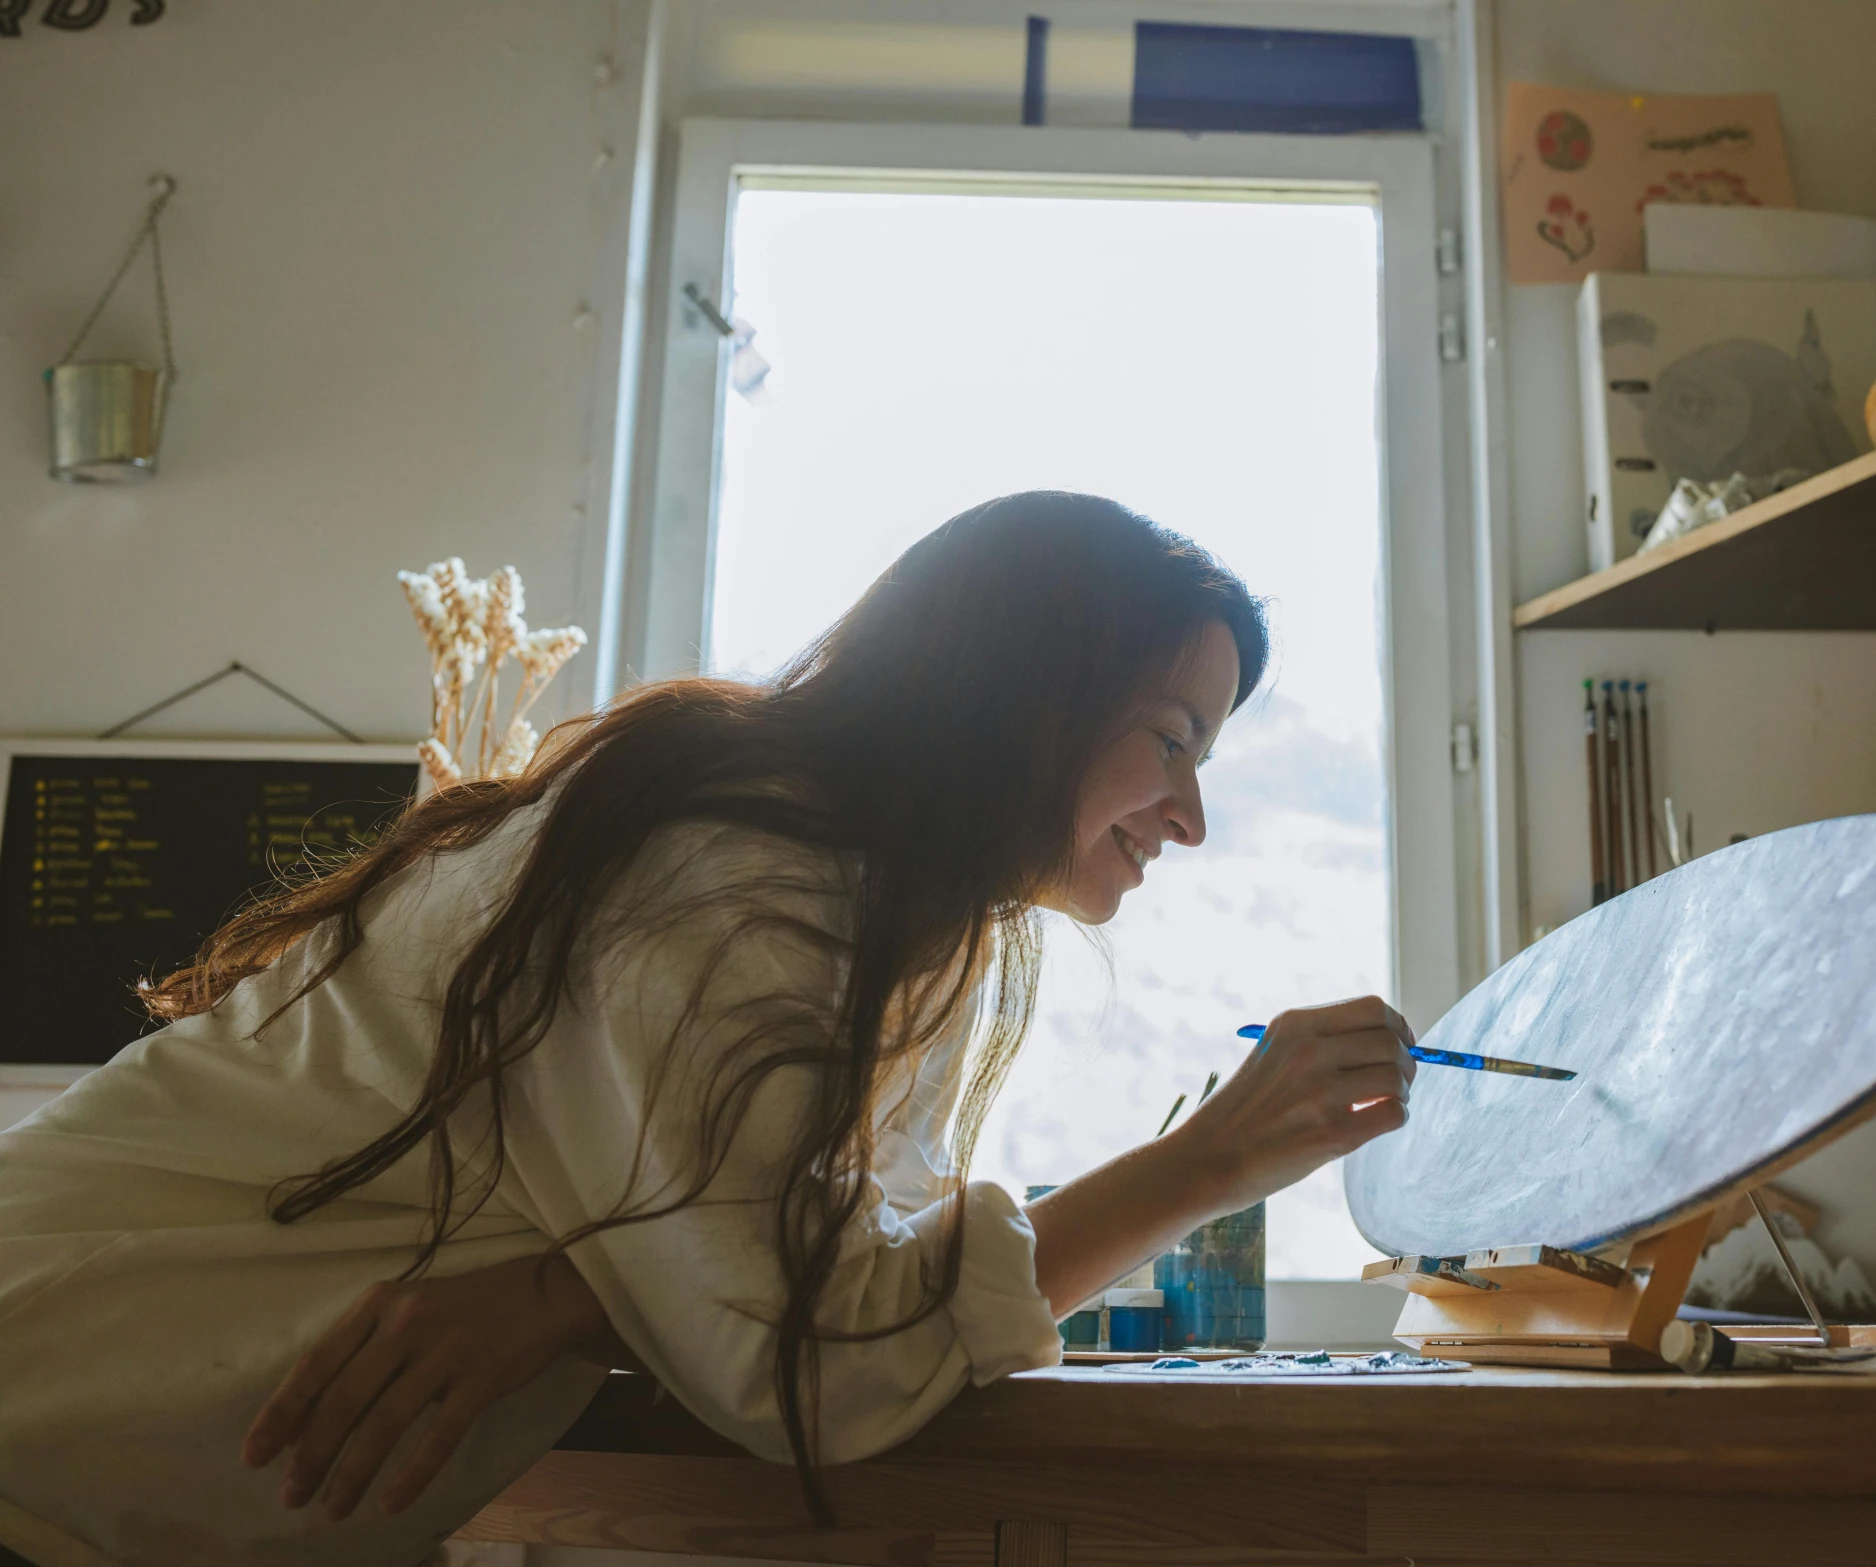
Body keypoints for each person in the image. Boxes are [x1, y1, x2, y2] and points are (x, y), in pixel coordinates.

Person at [0, 493, 1417, 1567]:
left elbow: (817, 1247)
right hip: (57, 1398)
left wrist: (579, 1289)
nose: (1192, 815)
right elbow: (821, 1356)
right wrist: (1211, 1160)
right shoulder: (733, 875)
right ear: (1017, 694)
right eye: (1170, 737)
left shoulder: (918, 925)